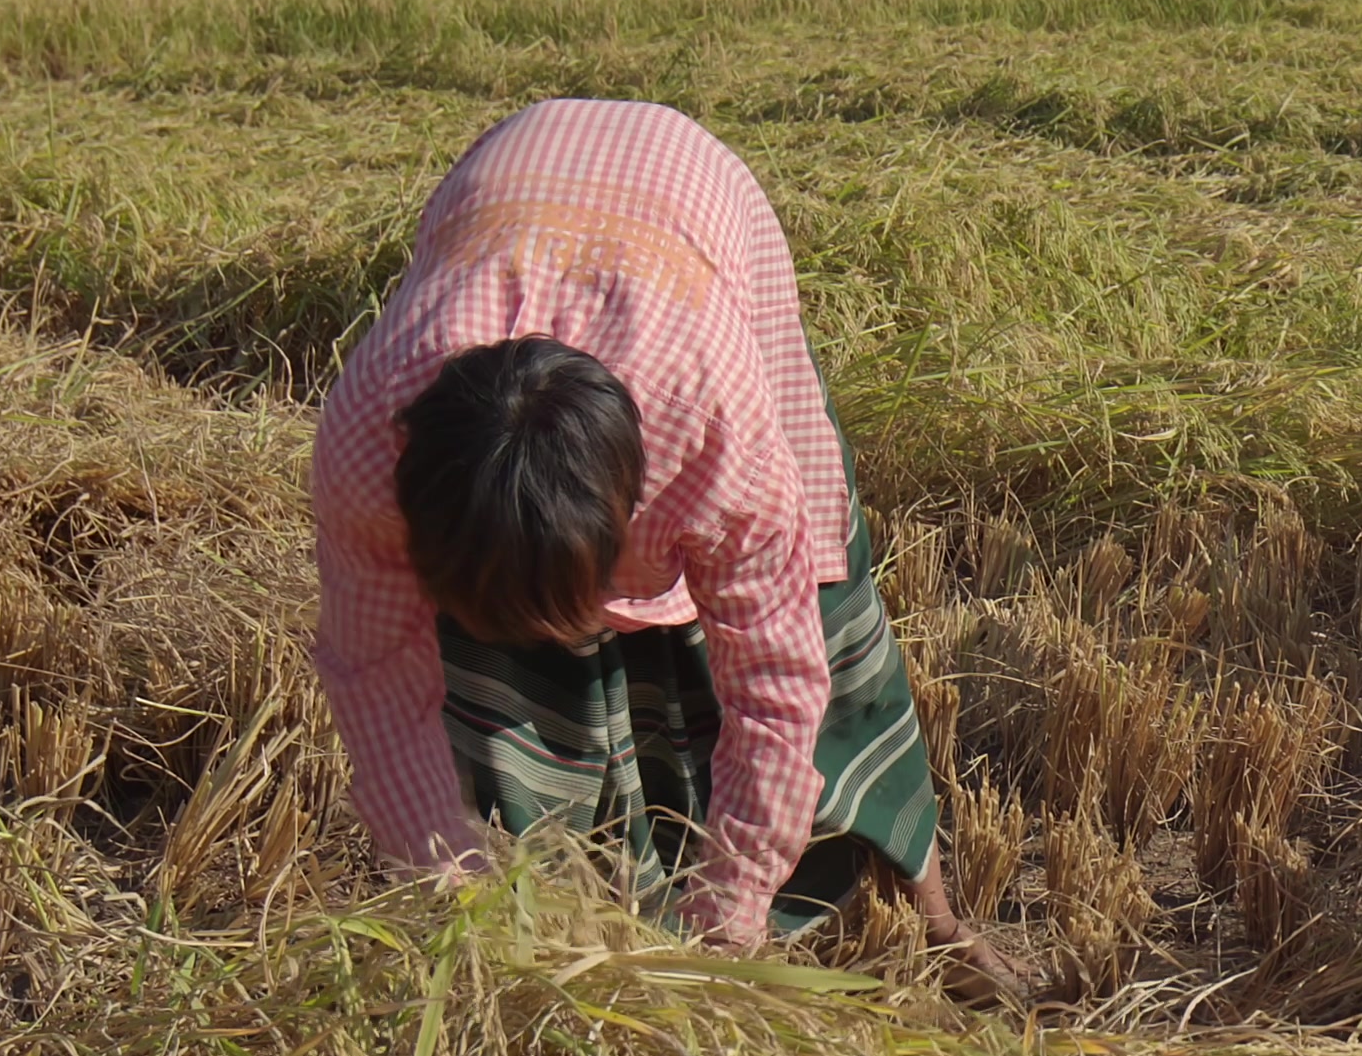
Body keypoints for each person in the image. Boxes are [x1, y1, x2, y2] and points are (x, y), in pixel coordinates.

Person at [309, 98, 1024, 996]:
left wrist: (726, 926)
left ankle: (937, 916)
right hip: (506, 200)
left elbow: (776, 689)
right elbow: (377, 681)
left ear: (629, 517)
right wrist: (451, 897)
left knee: (835, 632)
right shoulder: (368, 452)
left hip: (693, 213)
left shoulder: (719, 433)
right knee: (490, 698)